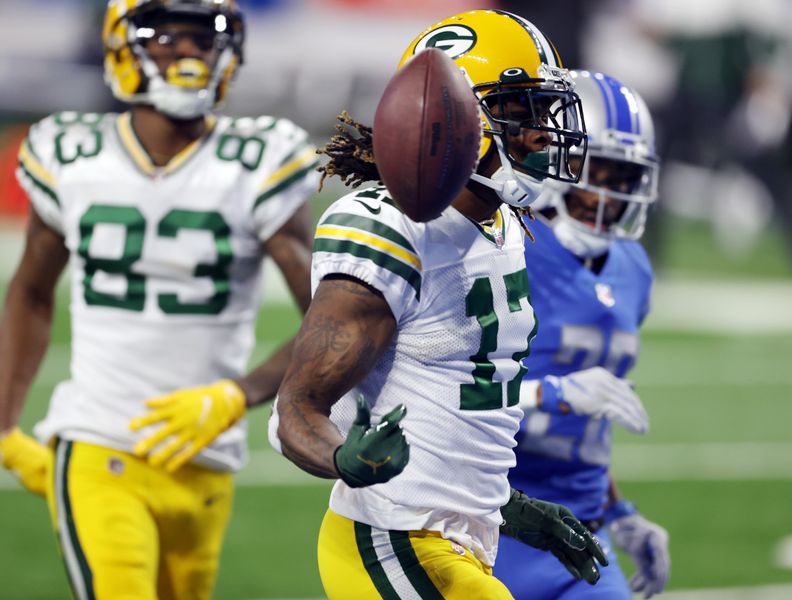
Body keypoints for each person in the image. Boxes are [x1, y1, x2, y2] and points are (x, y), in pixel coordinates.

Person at [268, 10, 608, 599]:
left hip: (452, 540)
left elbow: (454, 404)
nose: (540, 133)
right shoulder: (392, 229)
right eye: (520, 112)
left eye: (543, 113)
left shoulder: (502, 223)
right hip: (391, 537)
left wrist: (508, 505)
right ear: (456, 119)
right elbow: (294, 412)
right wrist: (348, 459)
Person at [0, 1, 318, 598]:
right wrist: (3, 425)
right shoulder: (70, 151)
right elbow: (33, 291)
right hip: (96, 442)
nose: (189, 51)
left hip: (206, 458)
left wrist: (237, 394)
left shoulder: (260, 157)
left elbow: (329, 318)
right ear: (122, 47)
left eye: (205, 38)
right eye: (166, 34)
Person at [492, 71, 671, 599]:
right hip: (491, 526)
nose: (608, 195)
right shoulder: (503, 247)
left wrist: (621, 512)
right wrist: (552, 393)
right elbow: (440, 392)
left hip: (584, 535)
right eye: (599, 171)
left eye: (625, 179)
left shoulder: (633, 268)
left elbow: (587, 432)